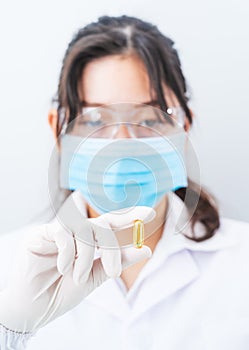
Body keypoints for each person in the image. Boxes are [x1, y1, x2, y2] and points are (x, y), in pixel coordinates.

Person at [0, 15, 249, 350]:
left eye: (149, 118)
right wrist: (10, 331)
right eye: (96, 120)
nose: (123, 144)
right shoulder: (10, 268)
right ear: (59, 130)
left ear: (183, 128)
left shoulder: (240, 262)